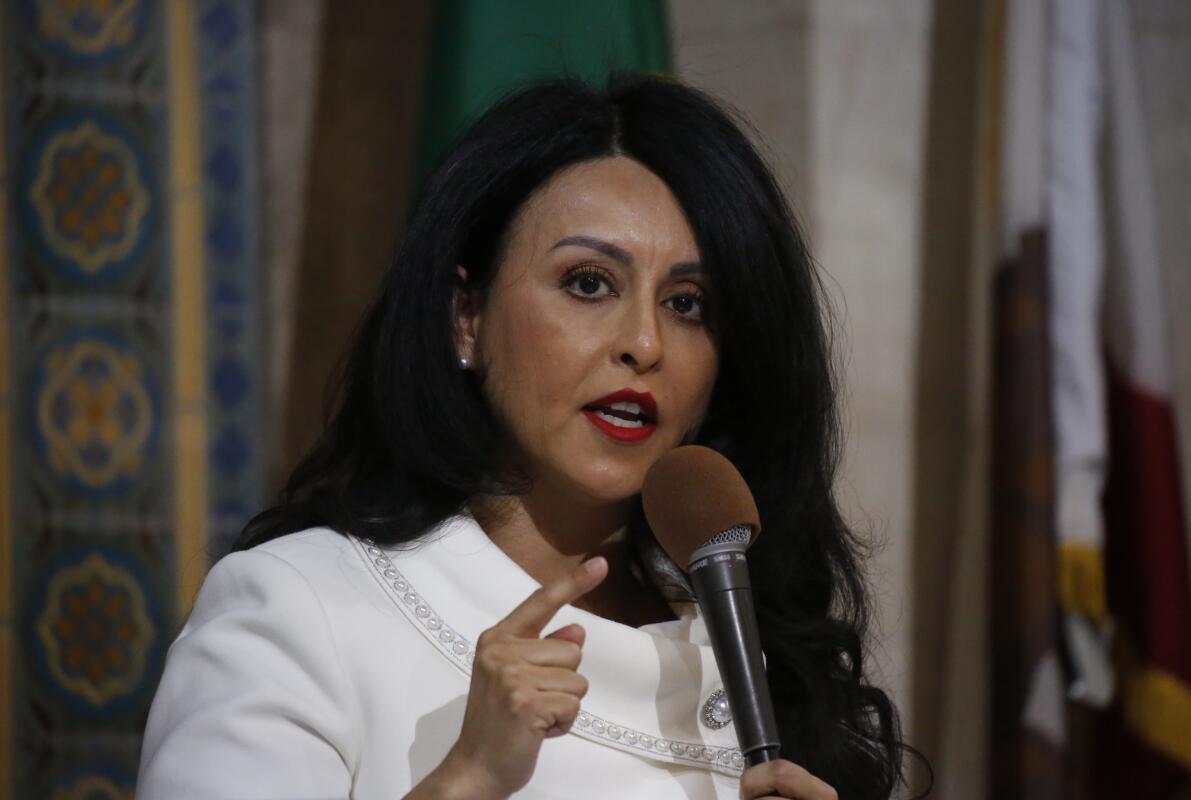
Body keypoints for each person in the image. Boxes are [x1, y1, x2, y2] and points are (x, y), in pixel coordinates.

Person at [137, 73, 917, 799]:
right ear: (465, 319)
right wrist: (468, 776)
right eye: (588, 284)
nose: (644, 343)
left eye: (687, 304)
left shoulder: (770, 655)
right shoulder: (302, 608)